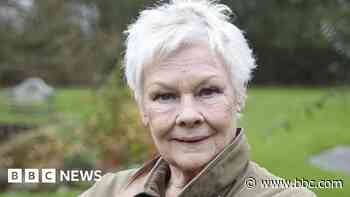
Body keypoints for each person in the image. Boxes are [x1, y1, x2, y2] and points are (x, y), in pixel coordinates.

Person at [80, 0, 317, 196]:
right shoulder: (108, 191)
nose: (188, 115)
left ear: (240, 94)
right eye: (165, 96)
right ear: (142, 106)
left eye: (208, 91)